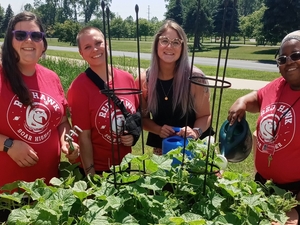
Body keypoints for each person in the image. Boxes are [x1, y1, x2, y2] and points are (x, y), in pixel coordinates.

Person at [0, 11, 79, 221]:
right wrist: (8, 144)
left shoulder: (51, 77)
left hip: (48, 191)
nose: (29, 40)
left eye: (35, 36)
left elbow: (62, 121)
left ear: (43, 43)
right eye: (20, 35)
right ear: (10, 41)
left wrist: (66, 140)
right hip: (7, 197)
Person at [227, 30, 300, 225]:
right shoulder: (278, 86)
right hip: (263, 185)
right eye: (283, 59)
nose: (289, 62)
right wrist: (242, 100)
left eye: (296, 55)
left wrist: (294, 204)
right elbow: (257, 98)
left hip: (295, 194)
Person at [67, 26, 139, 176]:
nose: (95, 49)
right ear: (81, 53)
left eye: (98, 43)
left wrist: (133, 135)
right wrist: (91, 177)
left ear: (106, 44)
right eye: (87, 47)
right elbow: (83, 137)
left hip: (125, 165)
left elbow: (135, 117)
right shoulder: (79, 87)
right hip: (98, 169)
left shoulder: (127, 78)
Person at [137, 20, 213, 155]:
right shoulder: (144, 80)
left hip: (196, 146)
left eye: (176, 42)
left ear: (182, 47)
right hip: (164, 146)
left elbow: (206, 115)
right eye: (164, 40)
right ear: (156, 44)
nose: (169, 47)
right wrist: (158, 129)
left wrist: (195, 131)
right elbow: (143, 118)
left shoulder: (195, 78)